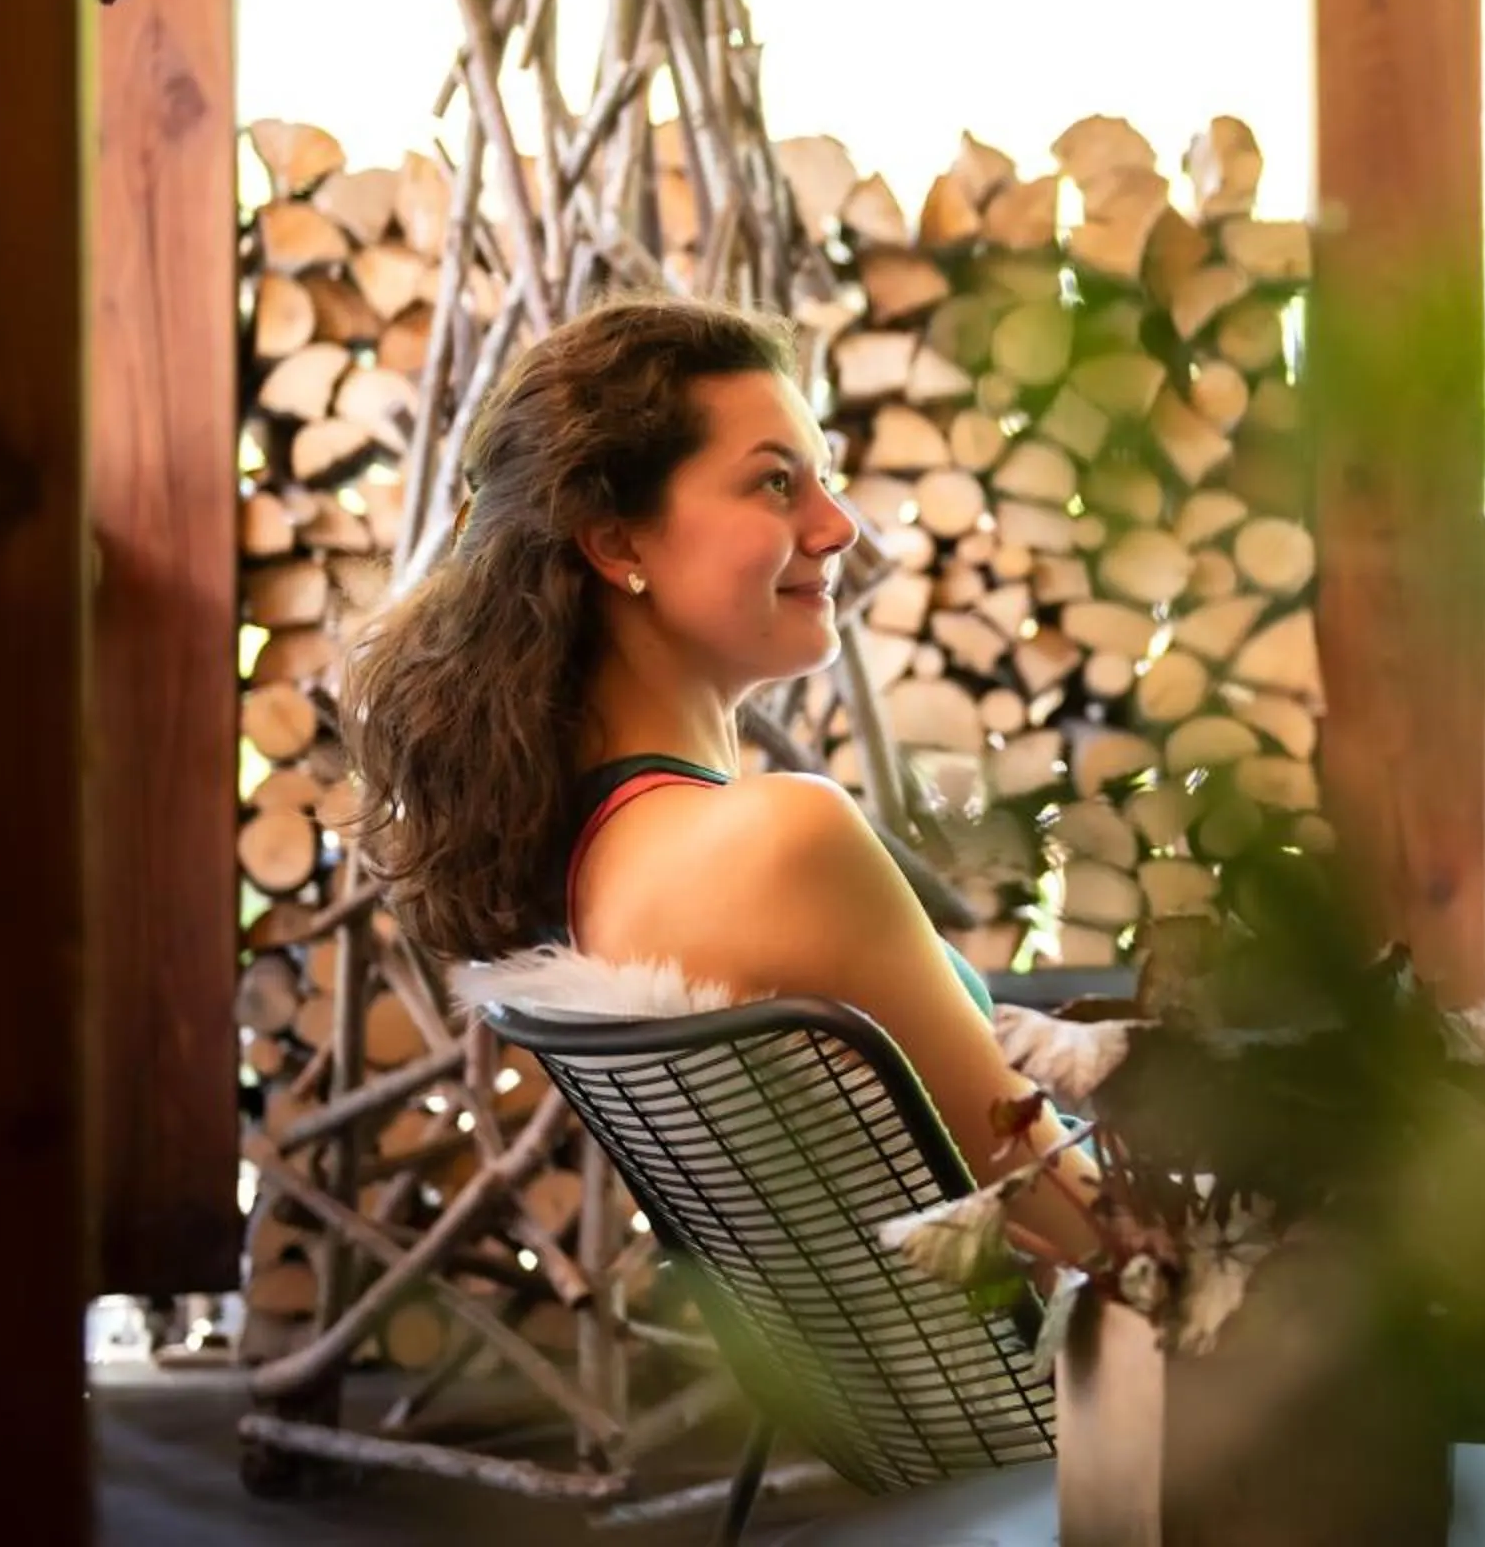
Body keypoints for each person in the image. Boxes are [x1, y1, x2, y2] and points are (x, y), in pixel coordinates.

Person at [348, 295, 1093, 1259]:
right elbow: (1081, 1220)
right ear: (619, 542)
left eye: (823, 479)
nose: (838, 527)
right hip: (1068, 1387)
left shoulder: (605, 856)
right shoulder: (778, 841)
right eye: (777, 484)